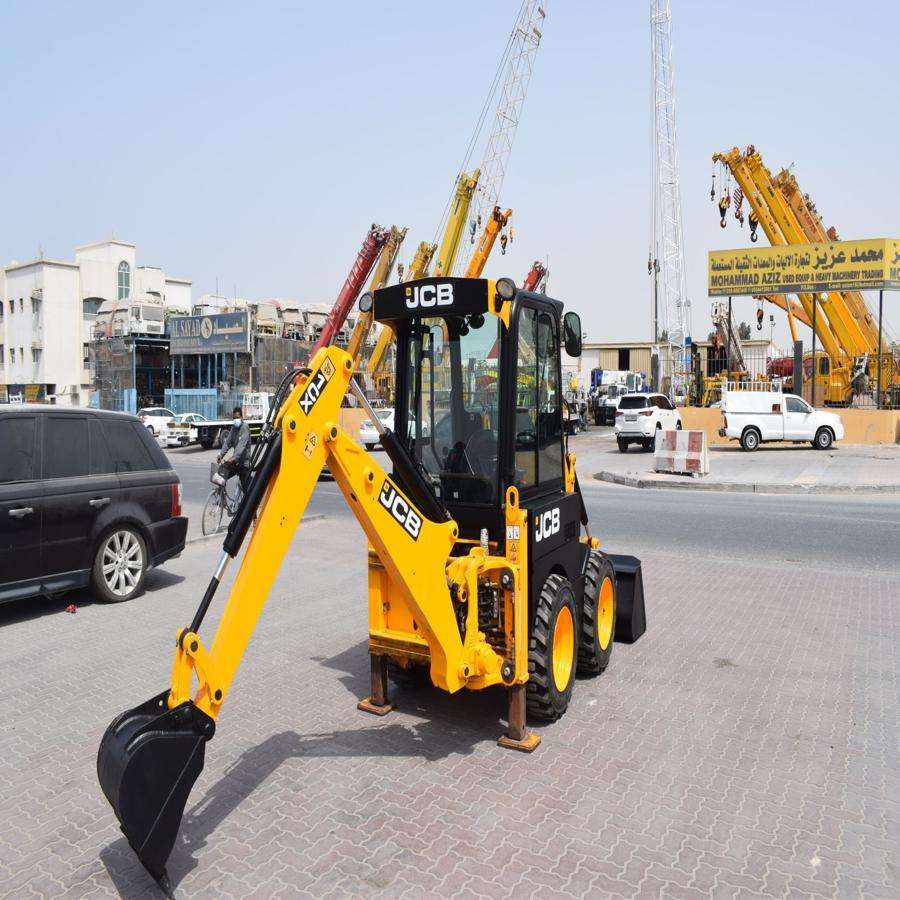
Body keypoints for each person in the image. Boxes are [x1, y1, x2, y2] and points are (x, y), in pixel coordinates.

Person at [217, 407, 252, 494]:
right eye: (234, 418)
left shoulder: (245, 428)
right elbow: (227, 443)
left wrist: (234, 457)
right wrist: (221, 455)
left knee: (247, 491)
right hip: (235, 462)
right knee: (222, 472)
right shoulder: (233, 428)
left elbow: (241, 445)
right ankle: (222, 495)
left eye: (237, 418)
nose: (236, 420)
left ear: (242, 418)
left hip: (244, 463)